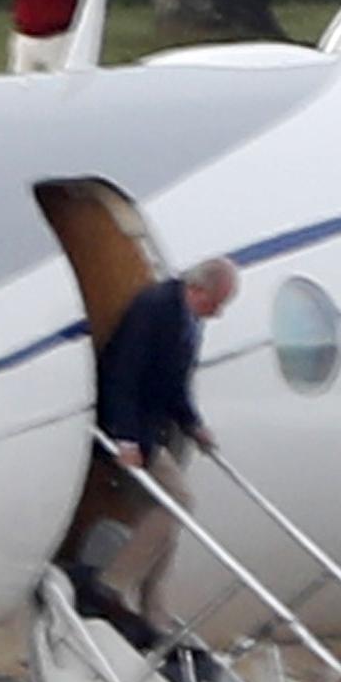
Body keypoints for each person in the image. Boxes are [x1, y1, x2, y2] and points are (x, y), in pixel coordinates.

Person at [96, 258, 237, 629]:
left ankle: (152, 606)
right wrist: (124, 438)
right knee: (179, 501)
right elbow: (123, 374)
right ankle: (113, 583)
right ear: (198, 289)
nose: (217, 314)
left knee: (163, 515)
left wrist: (194, 425)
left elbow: (175, 386)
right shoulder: (156, 308)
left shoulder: (188, 319)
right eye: (216, 303)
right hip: (132, 429)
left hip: (155, 428)